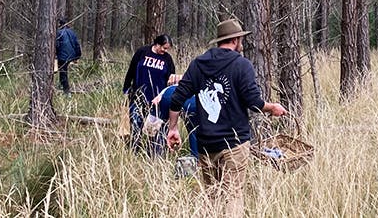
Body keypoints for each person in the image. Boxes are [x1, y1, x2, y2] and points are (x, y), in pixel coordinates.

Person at [166, 18, 287, 217]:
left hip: (206, 144)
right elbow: (254, 103)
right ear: (236, 40)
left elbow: (177, 98)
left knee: (212, 194)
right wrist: (272, 107)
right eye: (241, 40)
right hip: (234, 143)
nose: (242, 44)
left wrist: (173, 128)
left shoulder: (198, 64)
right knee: (233, 194)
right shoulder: (242, 65)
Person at [123, 34, 175, 155]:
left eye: (167, 49)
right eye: (164, 47)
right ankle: (134, 150)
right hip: (138, 95)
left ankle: (151, 152)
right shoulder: (142, 52)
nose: (165, 51)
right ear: (157, 44)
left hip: (156, 99)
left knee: (153, 128)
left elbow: (171, 78)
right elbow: (131, 70)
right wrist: (126, 88)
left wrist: (165, 95)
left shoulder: (167, 59)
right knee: (136, 124)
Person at [152, 74, 200, 158]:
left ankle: (154, 155)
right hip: (193, 101)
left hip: (169, 93)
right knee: (194, 131)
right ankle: (195, 159)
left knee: (154, 129)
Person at [55, 17, 81, 96]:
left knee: (63, 72)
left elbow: (57, 45)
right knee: (63, 71)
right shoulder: (72, 33)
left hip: (63, 56)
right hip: (71, 55)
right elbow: (77, 44)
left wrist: (55, 55)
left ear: (60, 24)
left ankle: (66, 91)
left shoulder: (59, 33)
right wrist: (78, 55)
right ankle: (61, 85)